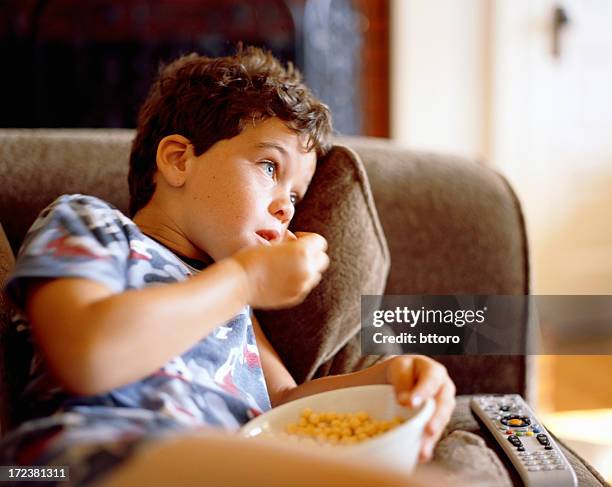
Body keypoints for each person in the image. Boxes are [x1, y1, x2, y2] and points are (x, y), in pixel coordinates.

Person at [0, 46, 456, 486]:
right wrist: (245, 279)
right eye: (269, 167)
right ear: (179, 160)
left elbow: (282, 402)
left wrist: (390, 378)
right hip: (80, 457)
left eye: (295, 196)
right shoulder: (88, 222)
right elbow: (86, 355)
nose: (286, 209)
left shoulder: (234, 302)